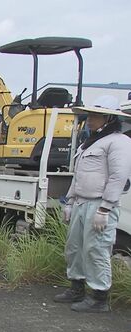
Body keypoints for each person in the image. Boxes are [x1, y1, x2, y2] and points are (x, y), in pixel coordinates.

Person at [54, 95, 131, 312]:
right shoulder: (89, 144)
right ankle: (76, 288)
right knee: (75, 247)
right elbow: (78, 176)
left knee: (97, 249)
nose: (90, 119)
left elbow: (118, 177)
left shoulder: (119, 142)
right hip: (81, 202)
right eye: (90, 115)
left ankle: (99, 297)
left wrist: (106, 208)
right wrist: (69, 202)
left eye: (95, 115)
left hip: (100, 205)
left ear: (108, 117)